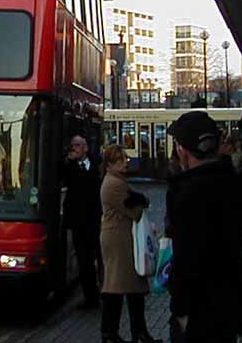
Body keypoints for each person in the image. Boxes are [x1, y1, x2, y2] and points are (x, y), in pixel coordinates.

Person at [167, 111, 242, 342]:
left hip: (198, 310)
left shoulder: (185, 192)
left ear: (183, 150)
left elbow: (186, 258)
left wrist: (181, 311)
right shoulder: (235, 186)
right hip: (230, 301)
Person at [99, 145, 161, 343]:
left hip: (120, 237)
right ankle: (120, 333)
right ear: (110, 164)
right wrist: (141, 200)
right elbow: (135, 210)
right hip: (118, 238)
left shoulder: (117, 181)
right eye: (120, 159)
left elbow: (139, 202)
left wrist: (141, 199)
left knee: (124, 285)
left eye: (125, 157)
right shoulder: (115, 184)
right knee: (119, 285)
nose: (126, 161)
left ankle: (127, 332)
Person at [62, 134, 103, 309]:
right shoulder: (69, 167)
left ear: (85, 147)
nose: (74, 149)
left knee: (100, 258)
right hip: (78, 222)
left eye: (77, 145)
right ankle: (90, 298)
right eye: (72, 145)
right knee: (84, 260)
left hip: (95, 220)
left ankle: (104, 291)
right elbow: (61, 179)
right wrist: (69, 162)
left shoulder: (97, 165)